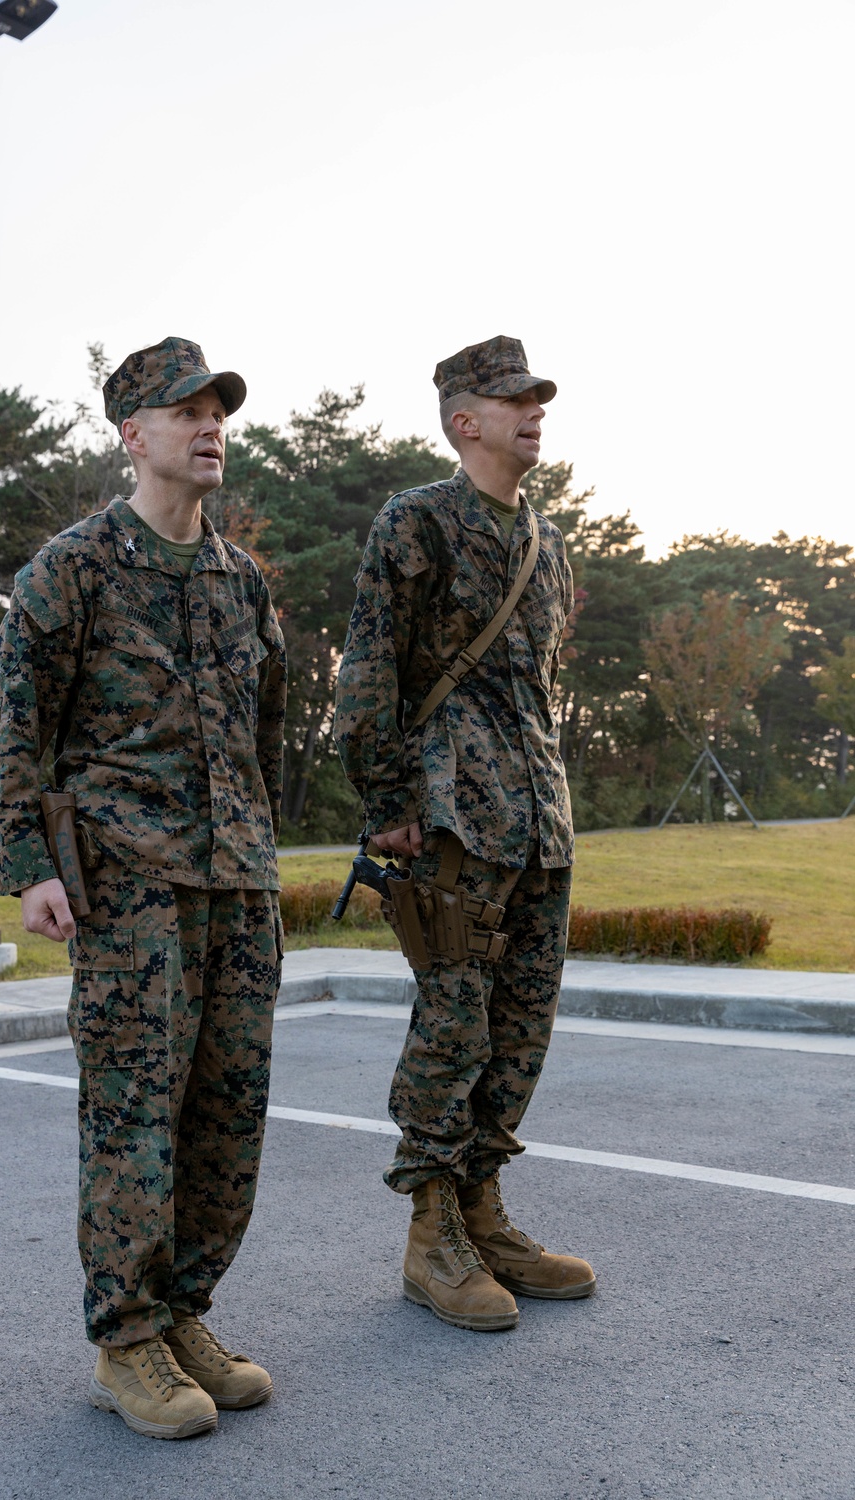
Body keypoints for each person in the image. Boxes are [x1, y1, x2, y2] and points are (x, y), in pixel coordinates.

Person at [0, 337, 287, 1437]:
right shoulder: (73, 569)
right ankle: (125, 1340)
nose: (209, 430)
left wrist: (261, 847)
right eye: (184, 412)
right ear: (129, 434)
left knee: (226, 1114)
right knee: (134, 1117)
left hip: (237, 885)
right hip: (128, 889)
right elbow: (6, 736)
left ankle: (185, 1310)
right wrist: (26, 869)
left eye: (217, 412)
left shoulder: (239, 579)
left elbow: (267, 731)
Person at [334, 335, 595, 1332]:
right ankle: (431, 1235)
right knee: (453, 1029)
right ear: (463, 420)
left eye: (537, 399)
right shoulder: (418, 524)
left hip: (537, 821)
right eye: (511, 401)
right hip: (450, 819)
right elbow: (369, 670)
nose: (533, 413)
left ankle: (485, 1213)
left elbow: (539, 687)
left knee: (518, 1034)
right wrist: (389, 805)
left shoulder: (548, 540)